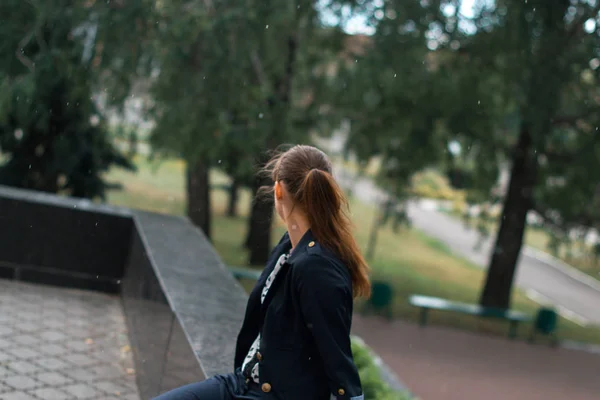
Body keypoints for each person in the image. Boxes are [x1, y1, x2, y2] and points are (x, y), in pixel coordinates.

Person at [153, 144, 371, 400]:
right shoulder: (291, 244)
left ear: (278, 190)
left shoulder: (317, 267)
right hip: (242, 385)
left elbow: (337, 356)